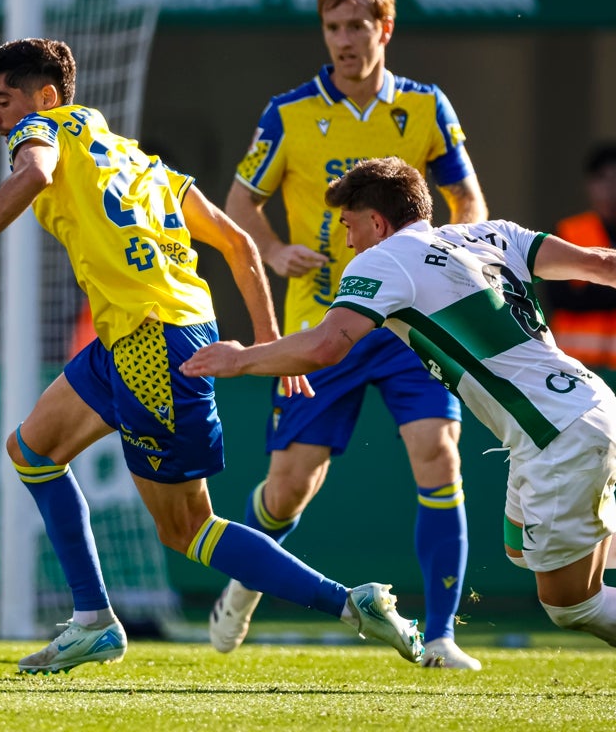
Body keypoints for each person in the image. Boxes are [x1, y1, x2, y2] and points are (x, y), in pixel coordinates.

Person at [0, 37, 424, 673]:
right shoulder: (136, 158)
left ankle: (352, 603)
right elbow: (237, 245)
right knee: (30, 451)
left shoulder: (41, 131)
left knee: (186, 530)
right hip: (142, 336)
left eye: (1, 100)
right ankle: (93, 619)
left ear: (44, 97)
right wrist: (268, 347)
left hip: (154, 347)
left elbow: (35, 172)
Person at [183, 156, 616, 649]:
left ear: (377, 222)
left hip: (555, 435)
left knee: (571, 606)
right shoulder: (493, 233)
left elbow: (326, 346)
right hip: (591, 405)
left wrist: (239, 359)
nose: (347, 241)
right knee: (519, 546)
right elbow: (601, 263)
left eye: (348, 226)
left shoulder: (384, 257)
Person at [216, 0, 490, 669]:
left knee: (438, 451)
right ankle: (246, 583)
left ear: (384, 28)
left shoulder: (427, 108)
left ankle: (439, 635)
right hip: (326, 326)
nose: (343, 39)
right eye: (333, 26)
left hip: (411, 326)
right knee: (288, 487)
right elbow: (239, 205)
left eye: (357, 25)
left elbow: (470, 205)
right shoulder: (289, 113)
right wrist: (274, 250)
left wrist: (452, 265)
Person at [545, 143, 616, 370]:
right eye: (603, 179)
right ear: (590, 184)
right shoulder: (569, 232)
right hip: (576, 367)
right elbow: (559, 296)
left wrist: (590, 290)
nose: (611, 187)